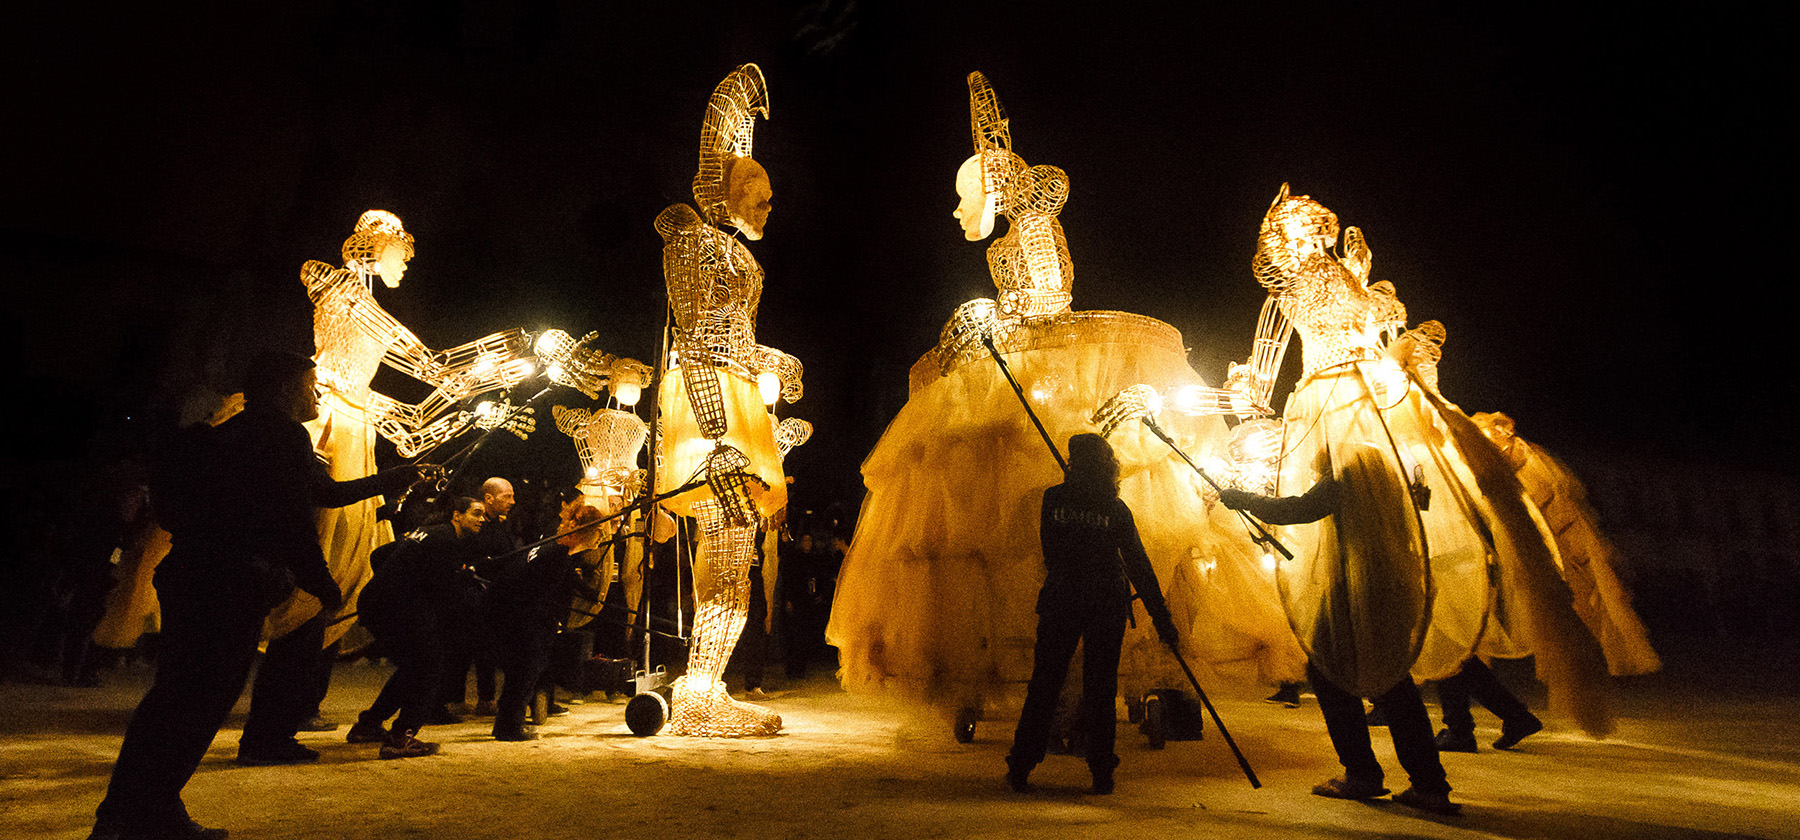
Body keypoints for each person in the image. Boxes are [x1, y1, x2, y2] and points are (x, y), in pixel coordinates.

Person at [89, 350, 420, 840]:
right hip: (228, 584)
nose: (317, 394)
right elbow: (294, 520)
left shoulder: (239, 433)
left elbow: (324, 494)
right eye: (310, 384)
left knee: (176, 698)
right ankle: (138, 815)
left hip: (192, 574)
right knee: (196, 703)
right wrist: (323, 583)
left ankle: (137, 810)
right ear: (285, 387)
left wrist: (395, 478)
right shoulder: (281, 436)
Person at [1219, 473, 1459, 815]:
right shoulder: (1384, 472)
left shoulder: (1346, 472)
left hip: (1356, 588)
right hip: (1391, 584)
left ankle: (1362, 774)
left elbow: (1299, 509)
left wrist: (1245, 499)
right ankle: (1429, 784)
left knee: (1329, 674)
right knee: (1393, 683)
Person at [1006, 434, 1179, 796]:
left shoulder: (1053, 499)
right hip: (1106, 602)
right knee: (1101, 688)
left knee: (1045, 684)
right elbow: (1138, 564)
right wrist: (1161, 618)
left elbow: (1051, 553)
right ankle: (1101, 772)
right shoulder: (1115, 509)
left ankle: (1021, 764)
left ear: (1074, 464)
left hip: (1062, 598)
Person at [345, 496, 488, 758]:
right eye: (476, 513)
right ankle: (401, 737)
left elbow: (379, 555)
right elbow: (443, 590)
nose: (482, 519)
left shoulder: (429, 533)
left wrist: (393, 580)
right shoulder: (447, 542)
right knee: (430, 666)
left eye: (483, 515)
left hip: (378, 603)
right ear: (456, 515)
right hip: (396, 608)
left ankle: (368, 725)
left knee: (414, 666)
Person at [485, 504, 603, 740]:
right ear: (584, 532)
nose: (601, 537)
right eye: (599, 531)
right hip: (524, 619)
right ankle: (510, 728)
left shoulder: (552, 547)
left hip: (515, 614)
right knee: (525, 672)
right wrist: (549, 622)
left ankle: (507, 724)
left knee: (521, 673)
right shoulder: (557, 556)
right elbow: (540, 594)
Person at [440, 476, 519, 718]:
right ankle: (454, 699)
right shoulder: (473, 524)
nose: (512, 502)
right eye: (507, 496)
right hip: (470, 595)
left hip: (493, 596)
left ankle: (486, 699)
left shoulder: (499, 524)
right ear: (488, 498)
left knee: (488, 650)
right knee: (462, 649)